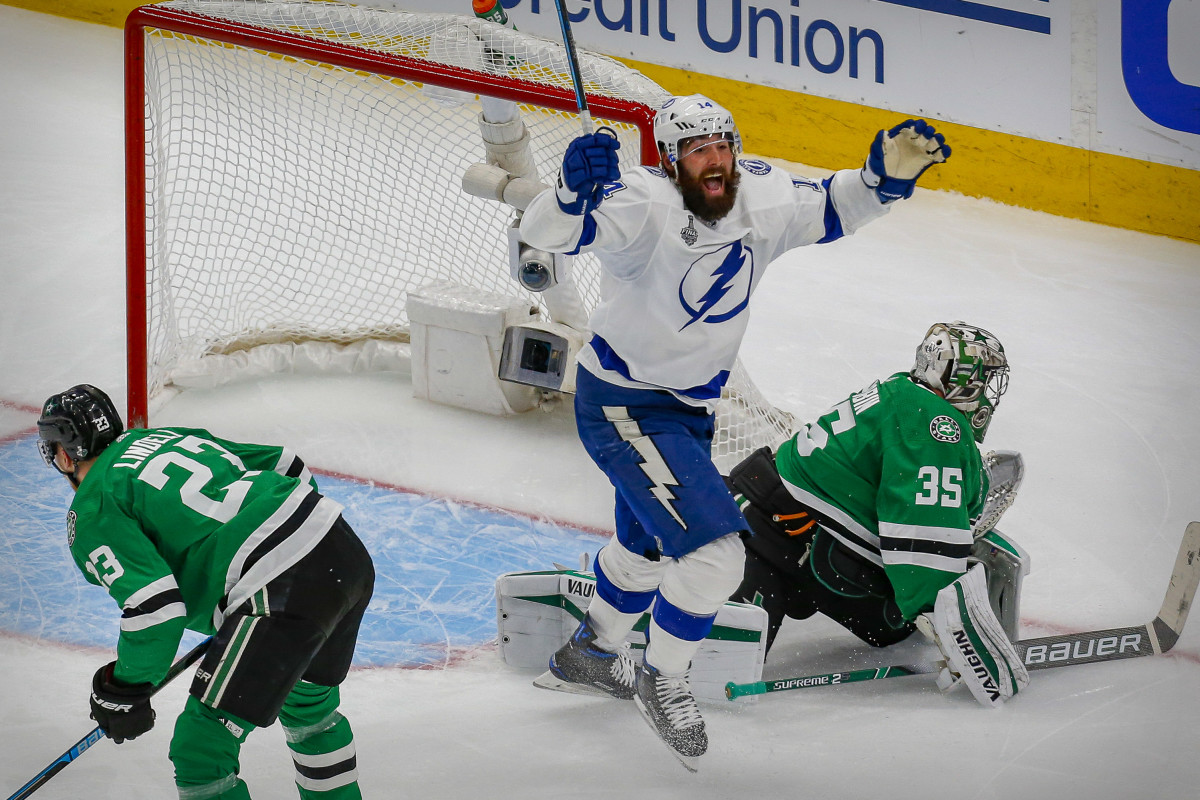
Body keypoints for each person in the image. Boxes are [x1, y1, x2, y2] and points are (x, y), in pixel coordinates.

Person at [518, 93, 951, 767]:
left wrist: (882, 180)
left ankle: (593, 651)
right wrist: (570, 193)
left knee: (648, 551)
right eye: (697, 150)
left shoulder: (762, 197)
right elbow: (543, 235)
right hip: (623, 404)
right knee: (718, 556)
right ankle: (663, 679)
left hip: (689, 410)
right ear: (669, 160)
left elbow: (836, 205)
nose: (715, 161)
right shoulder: (638, 203)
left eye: (723, 144)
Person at [36, 384, 374, 799]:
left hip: (280, 591)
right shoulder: (164, 437)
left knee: (201, 751)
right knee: (308, 707)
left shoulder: (93, 507)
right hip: (341, 551)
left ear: (66, 453)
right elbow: (288, 464)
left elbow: (155, 608)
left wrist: (124, 687)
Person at [726, 322, 1030, 708]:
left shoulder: (902, 390)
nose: (987, 393)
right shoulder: (936, 424)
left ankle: (960, 497)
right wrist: (966, 643)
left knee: (882, 626)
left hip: (762, 516)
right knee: (888, 625)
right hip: (772, 540)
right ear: (963, 380)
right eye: (984, 380)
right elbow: (922, 545)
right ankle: (961, 501)